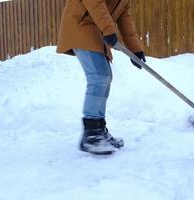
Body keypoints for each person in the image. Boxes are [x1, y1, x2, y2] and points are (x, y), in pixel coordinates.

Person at [56, 0, 146, 155]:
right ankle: (91, 134)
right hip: (81, 25)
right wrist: (109, 29)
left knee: (104, 76)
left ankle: (98, 129)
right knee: (98, 76)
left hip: (96, 29)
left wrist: (135, 49)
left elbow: (126, 21)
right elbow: (95, 2)